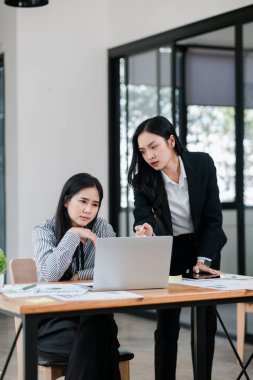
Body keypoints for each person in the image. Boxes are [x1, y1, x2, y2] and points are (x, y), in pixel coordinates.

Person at [128, 116, 227, 380]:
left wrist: (204, 260)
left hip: (204, 245)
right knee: (167, 324)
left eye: (154, 146)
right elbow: (142, 218)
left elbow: (213, 219)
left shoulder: (202, 163)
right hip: (170, 250)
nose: (149, 155)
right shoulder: (143, 180)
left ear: (171, 141)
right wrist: (145, 230)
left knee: (205, 322)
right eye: (142, 151)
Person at [32, 173, 121, 380]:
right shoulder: (44, 230)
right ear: (66, 201)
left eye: (95, 204)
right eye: (83, 201)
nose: (88, 210)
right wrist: (72, 235)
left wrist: (80, 275)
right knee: (104, 339)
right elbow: (50, 274)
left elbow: (115, 266)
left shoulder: (102, 228)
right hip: (55, 321)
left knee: (98, 320)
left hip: (93, 316)